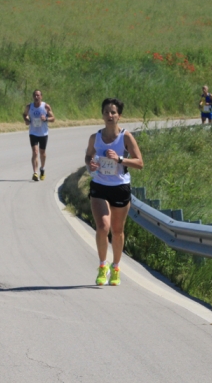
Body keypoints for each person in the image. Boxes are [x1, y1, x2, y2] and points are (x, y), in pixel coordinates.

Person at [85, 98, 143, 286]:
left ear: (119, 116)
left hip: (120, 187)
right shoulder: (95, 138)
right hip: (99, 185)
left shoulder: (125, 137)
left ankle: (116, 267)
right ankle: (103, 266)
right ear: (102, 115)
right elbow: (88, 156)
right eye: (106, 112)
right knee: (103, 227)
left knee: (117, 231)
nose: (110, 115)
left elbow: (139, 162)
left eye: (113, 112)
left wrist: (119, 159)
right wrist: (90, 163)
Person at [23, 90, 54, 181]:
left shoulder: (45, 106)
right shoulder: (29, 107)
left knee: (42, 153)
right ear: (33, 97)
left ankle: (42, 168)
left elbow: (53, 118)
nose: (36, 97)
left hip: (43, 133)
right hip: (33, 132)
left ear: (41, 96)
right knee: (35, 152)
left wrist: (46, 118)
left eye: (38, 95)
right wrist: (26, 120)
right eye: (35, 95)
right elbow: (24, 114)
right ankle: (35, 172)